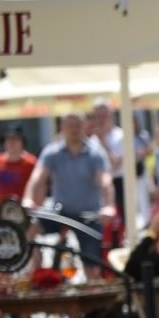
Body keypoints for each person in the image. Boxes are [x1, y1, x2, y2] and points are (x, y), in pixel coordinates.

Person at [24, 113, 117, 272]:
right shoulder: (52, 152)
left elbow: (105, 181)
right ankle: (36, 274)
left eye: (77, 125)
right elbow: (37, 177)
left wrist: (109, 206)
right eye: (70, 125)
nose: (74, 129)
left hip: (89, 214)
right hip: (60, 210)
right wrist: (28, 198)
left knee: (92, 265)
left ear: (84, 127)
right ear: (62, 128)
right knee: (32, 230)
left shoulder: (95, 153)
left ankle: (91, 290)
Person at [0, 129, 37, 216]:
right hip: (2, 210)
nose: (11, 142)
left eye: (15, 139)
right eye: (8, 139)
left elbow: (37, 186)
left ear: (22, 142)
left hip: (24, 210)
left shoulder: (31, 163)